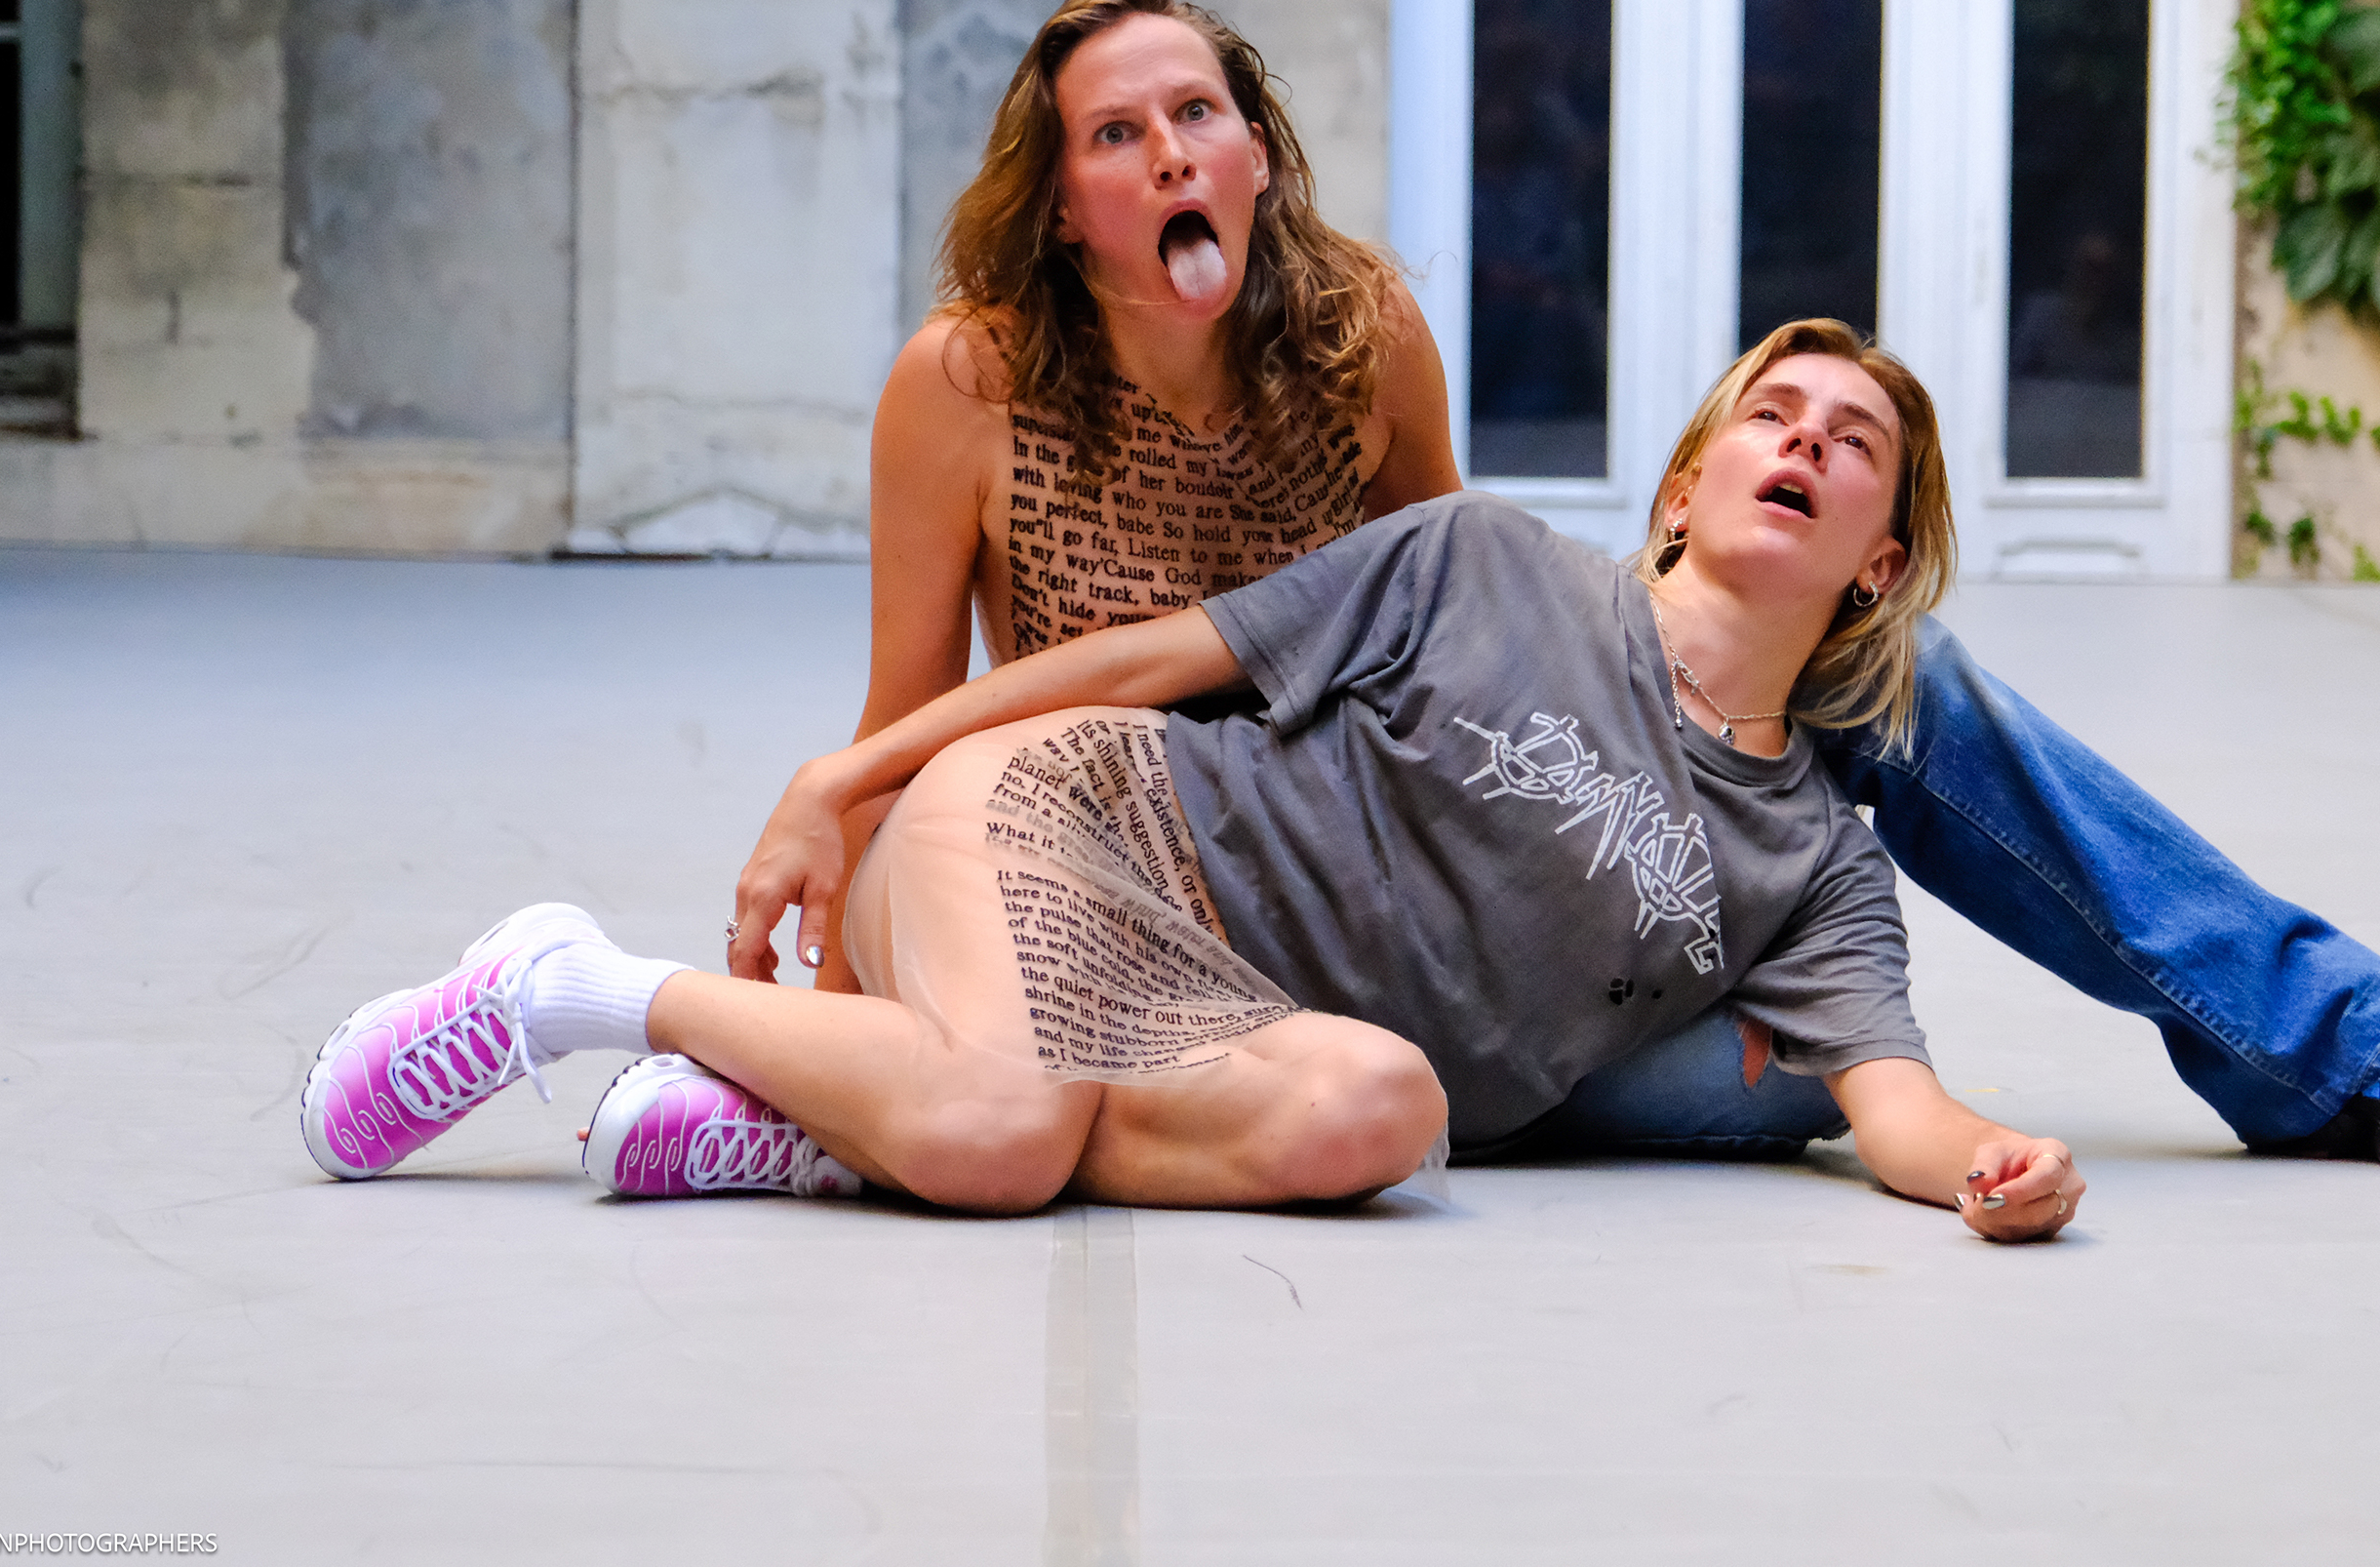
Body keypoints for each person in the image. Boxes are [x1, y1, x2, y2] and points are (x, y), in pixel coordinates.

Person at [774, 0, 2380, 1176]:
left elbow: (1461, 617)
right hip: (1158, 855)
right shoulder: (969, 383)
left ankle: (2340, 1040)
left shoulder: (1356, 335)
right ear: (1058, 197)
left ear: (1254, 151)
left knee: (1884, 702)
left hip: (1392, 837)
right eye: (1115, 135)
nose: (1170, 153)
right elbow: (909, 704)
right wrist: (859, 966)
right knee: (1774, 1088)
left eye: (1199, 115)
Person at [300, 326, 2090, 1240]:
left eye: (1851, 444)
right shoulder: (1479, 559)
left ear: (1876, 559)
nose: (1804, 442)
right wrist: (850, 776)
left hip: (1226, 1016)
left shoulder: (1814, 864)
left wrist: (1993, 1167)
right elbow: (1147, 660)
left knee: (1384, 1113)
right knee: (1007, 1133)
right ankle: (570, 985)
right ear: (1686, 487)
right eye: (1773, 414)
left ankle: (832, 1126)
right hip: (1088, 816)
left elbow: (1893, 1103)